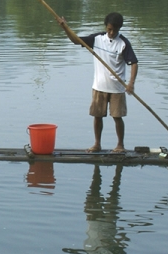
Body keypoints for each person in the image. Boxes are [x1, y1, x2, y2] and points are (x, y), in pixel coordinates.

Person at [58, 12, 139, 153]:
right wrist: (65, 27)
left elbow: (134, 63)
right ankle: (97, 144)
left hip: (117, 88)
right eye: (109, 29)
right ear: (106, 27)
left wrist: (131, 83)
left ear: (119, 28)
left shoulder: (123, 43)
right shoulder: (97, 39)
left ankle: (120, 145)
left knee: (117, 117)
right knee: (97, 116)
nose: (112, 32)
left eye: (115, 30)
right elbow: (76, 40)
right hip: (99, 86)